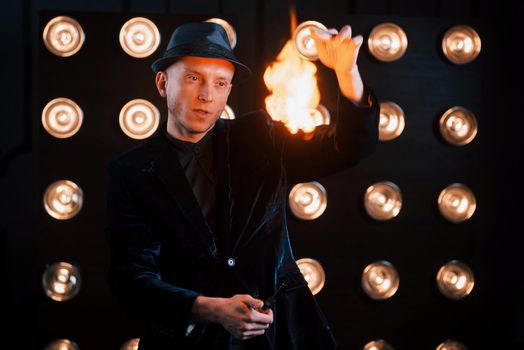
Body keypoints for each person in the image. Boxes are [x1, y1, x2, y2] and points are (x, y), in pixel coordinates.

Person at [105, 21, 379, 349]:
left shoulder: (261, 138)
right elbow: (132, 282)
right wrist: (209, 309)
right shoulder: (131, 173)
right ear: (163, 83)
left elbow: (348, 148)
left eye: (221, 83)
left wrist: (347, 74)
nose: (207, 95)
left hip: (283, 336)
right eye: (194, 78)